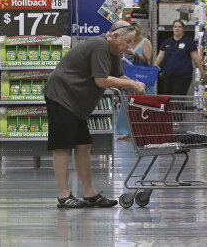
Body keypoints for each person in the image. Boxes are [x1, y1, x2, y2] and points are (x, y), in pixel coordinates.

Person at [44, 20, 146, 208]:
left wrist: (133, 82)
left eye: (131, 42)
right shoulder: (100, 46)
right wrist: (131, 84)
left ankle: (90, 193)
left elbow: (118, 76)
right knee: (62, 146)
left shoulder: (114, 50)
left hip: (76, 102)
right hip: (62, 95)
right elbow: (101, 80)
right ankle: (64, 195)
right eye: (127, 42)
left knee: (83, 145)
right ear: (114, 36)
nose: (128, 47)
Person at [117, 21, 151, 141]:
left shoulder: (145, 42)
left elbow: (147, 60)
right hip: (129, 75)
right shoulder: (127, 42)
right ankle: (125, 131)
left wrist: (134, 54)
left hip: (142, 77)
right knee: (126, 103)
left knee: (143, 104)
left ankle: (145, 129)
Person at [154, 20, 205, 95]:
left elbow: (196, 58)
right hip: (168, 75)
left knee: (178, 98)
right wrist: (153, 70)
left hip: (183, 76)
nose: (177, 29)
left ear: (183, 29)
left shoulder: (188, 42)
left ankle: (177, 107)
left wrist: (202, 72)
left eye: (179, 27)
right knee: (167, 98)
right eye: (175, 27)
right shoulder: (167, 42)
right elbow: (160, 57)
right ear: (172, 28)